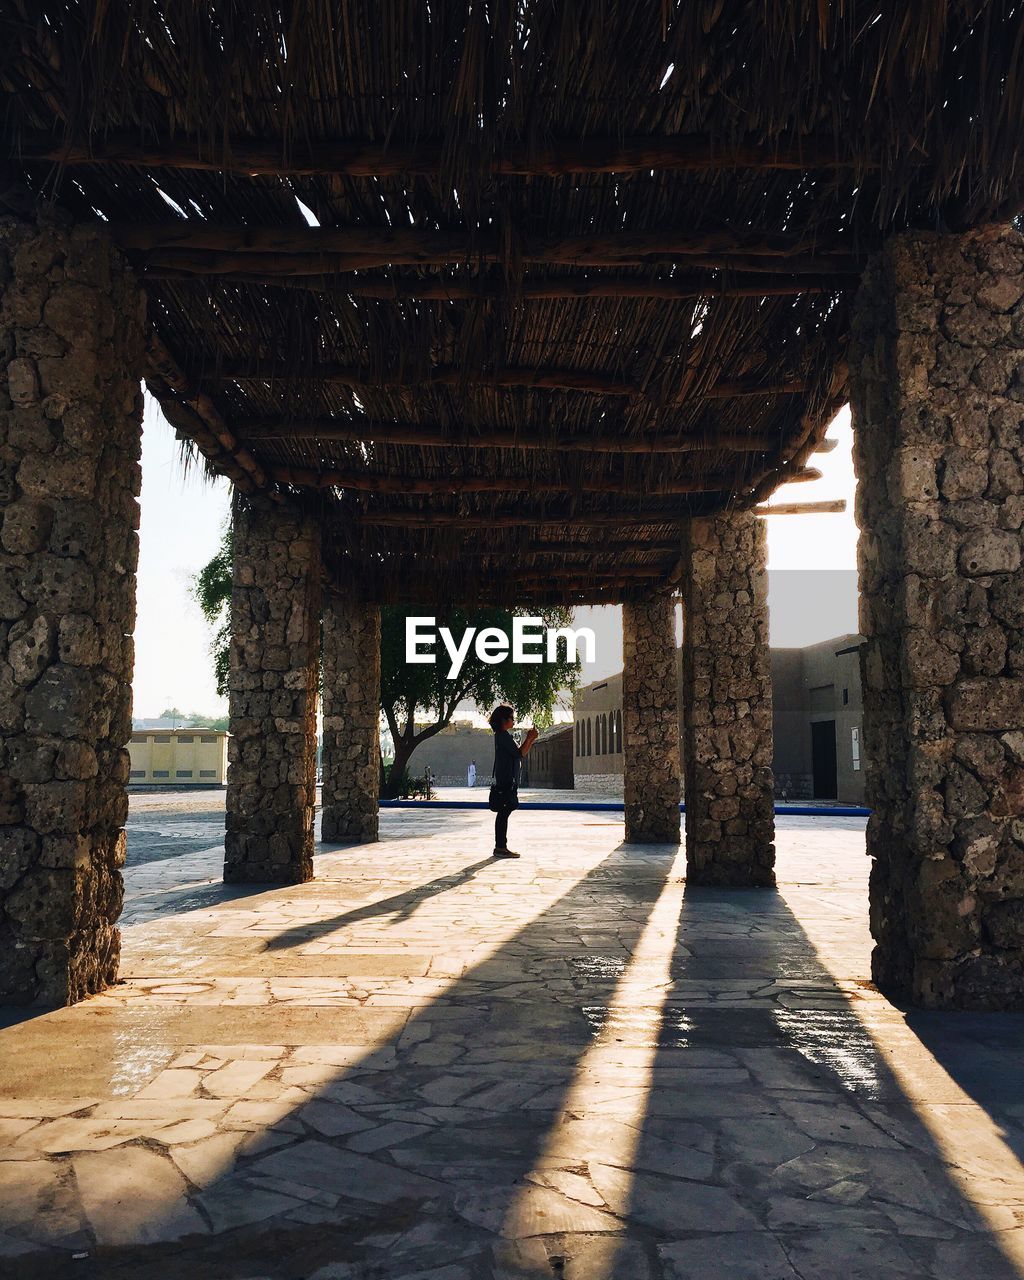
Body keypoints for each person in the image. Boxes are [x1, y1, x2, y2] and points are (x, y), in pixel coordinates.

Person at [488, 705, 538, 859]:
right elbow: (519, 753)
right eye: (512, 718)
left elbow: (520, 754)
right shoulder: (502, 736)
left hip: (507, 780)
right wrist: (530, 738)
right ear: (504, 720)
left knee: (505, 812)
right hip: (506, 781)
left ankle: (501, 846)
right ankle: (500, 847)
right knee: (504, 812)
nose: (514, 721)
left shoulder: (502, 736)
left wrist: (531, 739)